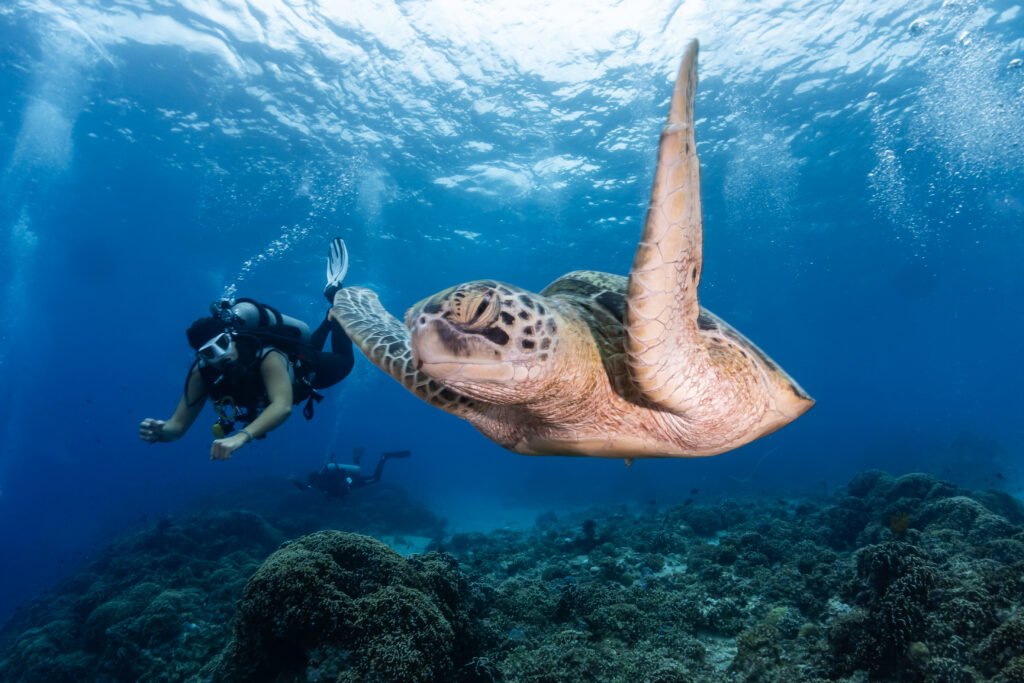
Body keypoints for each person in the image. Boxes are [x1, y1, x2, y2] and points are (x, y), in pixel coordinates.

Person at [138, 238, 354, 460]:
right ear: (202, 356)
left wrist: (240, 437)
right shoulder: (202, 374)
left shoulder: (265, 356)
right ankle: (329, 319)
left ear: (231, 337)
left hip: (308, 371)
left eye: (222, 344)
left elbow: (282, 406)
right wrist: (161, 431)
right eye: (210, 353)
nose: (221, 356)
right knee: (307, 349)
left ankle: (338, 305)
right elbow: (177, 426)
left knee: (345, 362)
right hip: (295, 361)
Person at [295, 448, 411, 498]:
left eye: (313, 484)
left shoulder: (325, 481)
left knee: (376, 479)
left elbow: (342, 475)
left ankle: (384, 457)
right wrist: (293, 481)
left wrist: (345, 485)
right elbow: (306, 488)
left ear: (316, 480)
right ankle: (356, 457)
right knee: (359, 471)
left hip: (353, 481)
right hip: (352, 480)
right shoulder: (319, 482)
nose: (313, 487)